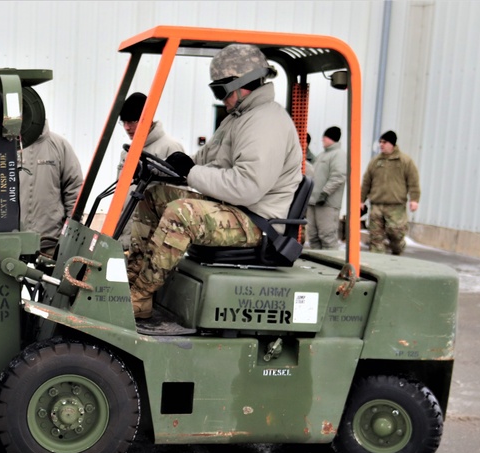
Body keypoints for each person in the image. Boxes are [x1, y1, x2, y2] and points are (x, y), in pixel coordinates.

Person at [127, 43, 302, 318]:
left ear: (243, 84)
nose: (221, 98)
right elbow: (203, 161)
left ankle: (139, 297)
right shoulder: (237, 118)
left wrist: (191, 173)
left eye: (221, 90)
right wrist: (173, 166)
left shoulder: (265, 122)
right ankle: (131, 281)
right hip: (234, 209)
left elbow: (247, 187)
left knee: (181, 214)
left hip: (257, 221)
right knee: (154, 197)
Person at [116, 92, 184, 250]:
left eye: (132, 121)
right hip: (124, 234)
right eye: (123, 122)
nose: (127, 127)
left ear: (148, 118)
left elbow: (179, 199)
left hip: (151, 239)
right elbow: (121, 192)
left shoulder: (170, 148)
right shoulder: (127, 153)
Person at [19, 119, 83, 253]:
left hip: (51, 240)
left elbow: (74, 188)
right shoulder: (8, 147)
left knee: (51, 274)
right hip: (15, 240)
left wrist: (72, 230)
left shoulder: (60, 145)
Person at [360, 130, 420, 255]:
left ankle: (398, 248)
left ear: (392, 144)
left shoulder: (404, 161)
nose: (381, 145)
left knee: (395, 234)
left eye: (385, 142)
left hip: (395, 206)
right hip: (377, 205)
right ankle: (377, 262)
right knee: (376, 237)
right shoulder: (375, 162)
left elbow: (413, 181)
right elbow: (366, 182)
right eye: (380, 142)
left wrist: (414, 199)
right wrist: (361, 199)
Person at [306, 126, 347, 249]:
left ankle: (330, 264)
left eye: (326, 137)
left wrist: (325, 193)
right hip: (314, 202)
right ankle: (316, 264)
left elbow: (339, 176)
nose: (323, 139)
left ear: (332, 138)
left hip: (327, 204)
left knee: (327, 236)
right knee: (313, 236)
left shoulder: (338, 155)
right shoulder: (322, 155)